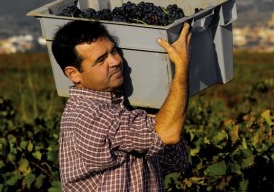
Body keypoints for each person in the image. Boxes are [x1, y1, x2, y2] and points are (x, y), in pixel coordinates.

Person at [51, 19, 192, 191]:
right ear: (74, 74)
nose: (115, 61)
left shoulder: (123, 108)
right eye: (101, 59)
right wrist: (182, 68)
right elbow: (167, 133)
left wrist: (155, 106)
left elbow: (176, 161)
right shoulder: (87, 115)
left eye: (114, 51)